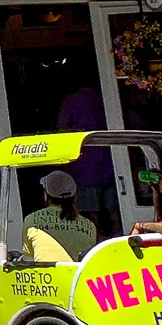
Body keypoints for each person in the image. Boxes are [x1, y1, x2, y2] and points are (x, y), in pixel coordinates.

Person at [55, 78, 118, 238]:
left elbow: (63, 131)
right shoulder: (106, 98)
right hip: (111, 163)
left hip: (85, 168)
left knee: (91, 214)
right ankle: (122, 237)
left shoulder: (71, 101)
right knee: (115, 210)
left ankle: (95, 243)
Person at [23, 169, 97, 261]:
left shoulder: (31, 221)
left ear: (46, 194)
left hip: (47, 275)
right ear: (74, 195)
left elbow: (28, 259)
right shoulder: (90, 226)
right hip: (78, 274)